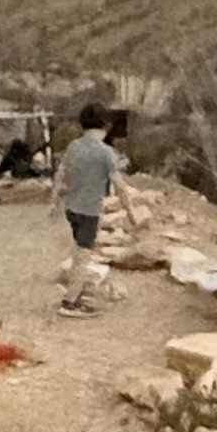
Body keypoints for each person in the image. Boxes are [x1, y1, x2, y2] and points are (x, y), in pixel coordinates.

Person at [55, 105, 123, 312]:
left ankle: (75, 293)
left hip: (72, 208)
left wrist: (54, 202)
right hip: (90, 210)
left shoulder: (74, 146)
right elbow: (119, 185)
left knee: (78, 252)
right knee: (83, 256)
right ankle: (70, 301)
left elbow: (61, 176)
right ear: (105, 126)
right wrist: (130, 211)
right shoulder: (106, 152)